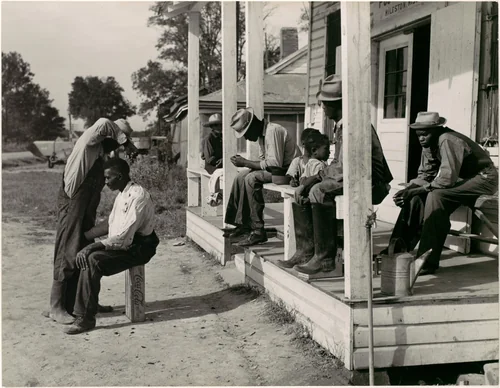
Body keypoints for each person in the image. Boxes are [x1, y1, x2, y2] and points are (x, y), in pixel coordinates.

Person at [286, 75, 393, 275]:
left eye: (327, 104)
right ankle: (306, 250)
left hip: (371, 181)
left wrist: (315, 179)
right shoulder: (342, 125)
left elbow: (345, 168)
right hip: (355, 176)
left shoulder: (354, 126)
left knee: (318, 190)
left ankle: (324, 258)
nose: (324, 109)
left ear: (339, 104)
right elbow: (338, 164)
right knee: (302, 191)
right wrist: (310, 179)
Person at [380, 111, 498, 275]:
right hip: (461, 181)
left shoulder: (447, 140)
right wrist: (408, 191)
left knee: (437, 196)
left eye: (425, 134)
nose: (421, 138)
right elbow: (425, 175)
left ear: (436, 130)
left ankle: (427, 260)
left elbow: (446, 179)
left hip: (484, 179)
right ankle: (397, 250)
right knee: (415, 197)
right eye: (419, 135)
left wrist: (419, 189)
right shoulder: (428, 144)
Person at [45, 118, 137, 325]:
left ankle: (82, 303)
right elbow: (104, 122)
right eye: (115, 141)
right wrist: (126, 142)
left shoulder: (100, 154)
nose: (115, 147)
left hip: (85, 208)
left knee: (83, 250)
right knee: (67, 251)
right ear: (111, 136)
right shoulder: (88, 142)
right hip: (73, 205)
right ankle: (56, 306)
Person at [64, 158, 159, 334]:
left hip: (140, 248)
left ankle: (85, 318)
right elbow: (111, 223)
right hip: (128, 243)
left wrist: (91, 247)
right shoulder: (122, 193)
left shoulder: (138, 197)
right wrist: (85, 237)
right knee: (85, 253)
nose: (105, 182)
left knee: (93, 259)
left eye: (108, 178)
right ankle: (87, 304)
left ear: (120, 176)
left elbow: (123, 238)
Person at [225, 107, 300, 246]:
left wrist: (246, 162)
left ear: (253, 124)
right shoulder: (262, 135)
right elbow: (264, 161)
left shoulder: (273, 131)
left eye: (246, 133)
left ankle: (258, 230)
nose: (246, 138)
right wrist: (246, 165)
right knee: (240, 176)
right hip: (278, 171)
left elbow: (274, 163)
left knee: (250, 179)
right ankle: (241, 224)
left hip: (290, 172)